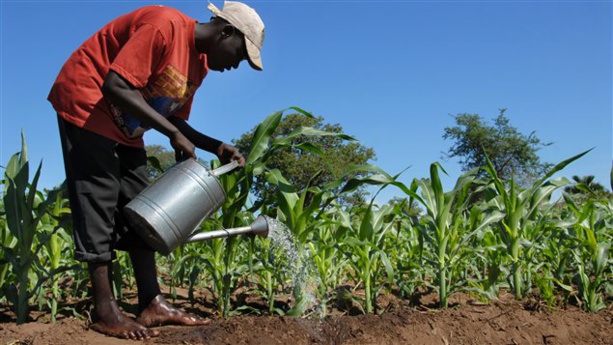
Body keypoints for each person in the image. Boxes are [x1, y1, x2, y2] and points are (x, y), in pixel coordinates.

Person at [47, 1, 265, 340]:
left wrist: (214, 145)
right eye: (240, 54)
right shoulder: (164, 25)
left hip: (127, 126)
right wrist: (171, 134)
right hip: (88, 102)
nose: (237, 64)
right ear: (226, 32)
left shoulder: (199, 67)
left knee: (143, 205)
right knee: (99, 200)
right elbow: (115, 86)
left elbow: (173, 118)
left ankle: (152, 303)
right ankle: (104, 310)